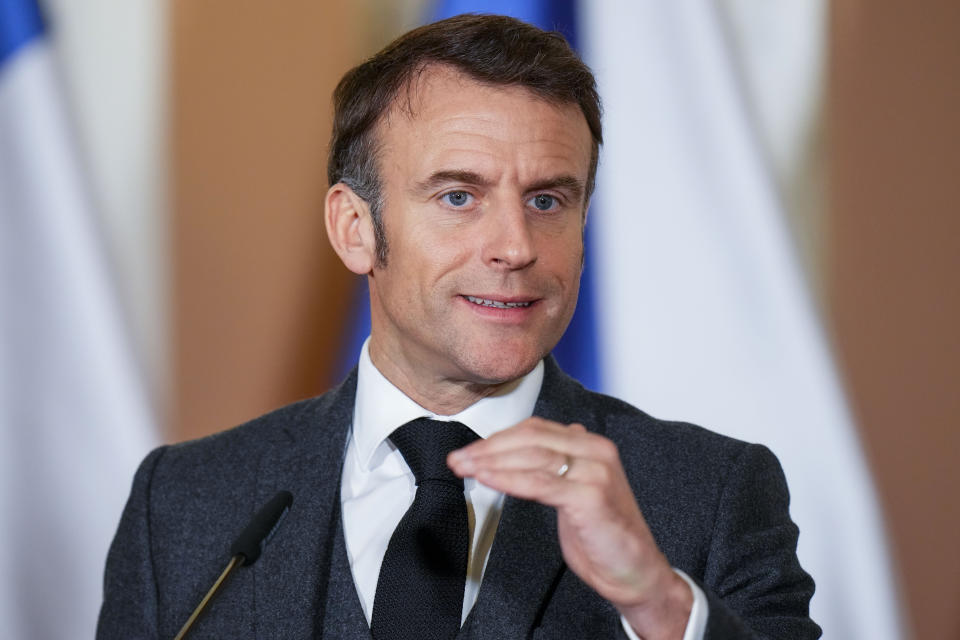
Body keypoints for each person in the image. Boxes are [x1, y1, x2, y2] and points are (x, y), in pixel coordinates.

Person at [97, 14, 819, 640]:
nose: (515, 245)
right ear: (355, 229)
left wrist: (657, 604)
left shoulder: (710, 494)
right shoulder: (187, 502)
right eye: (458, 196)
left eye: (546, 201)